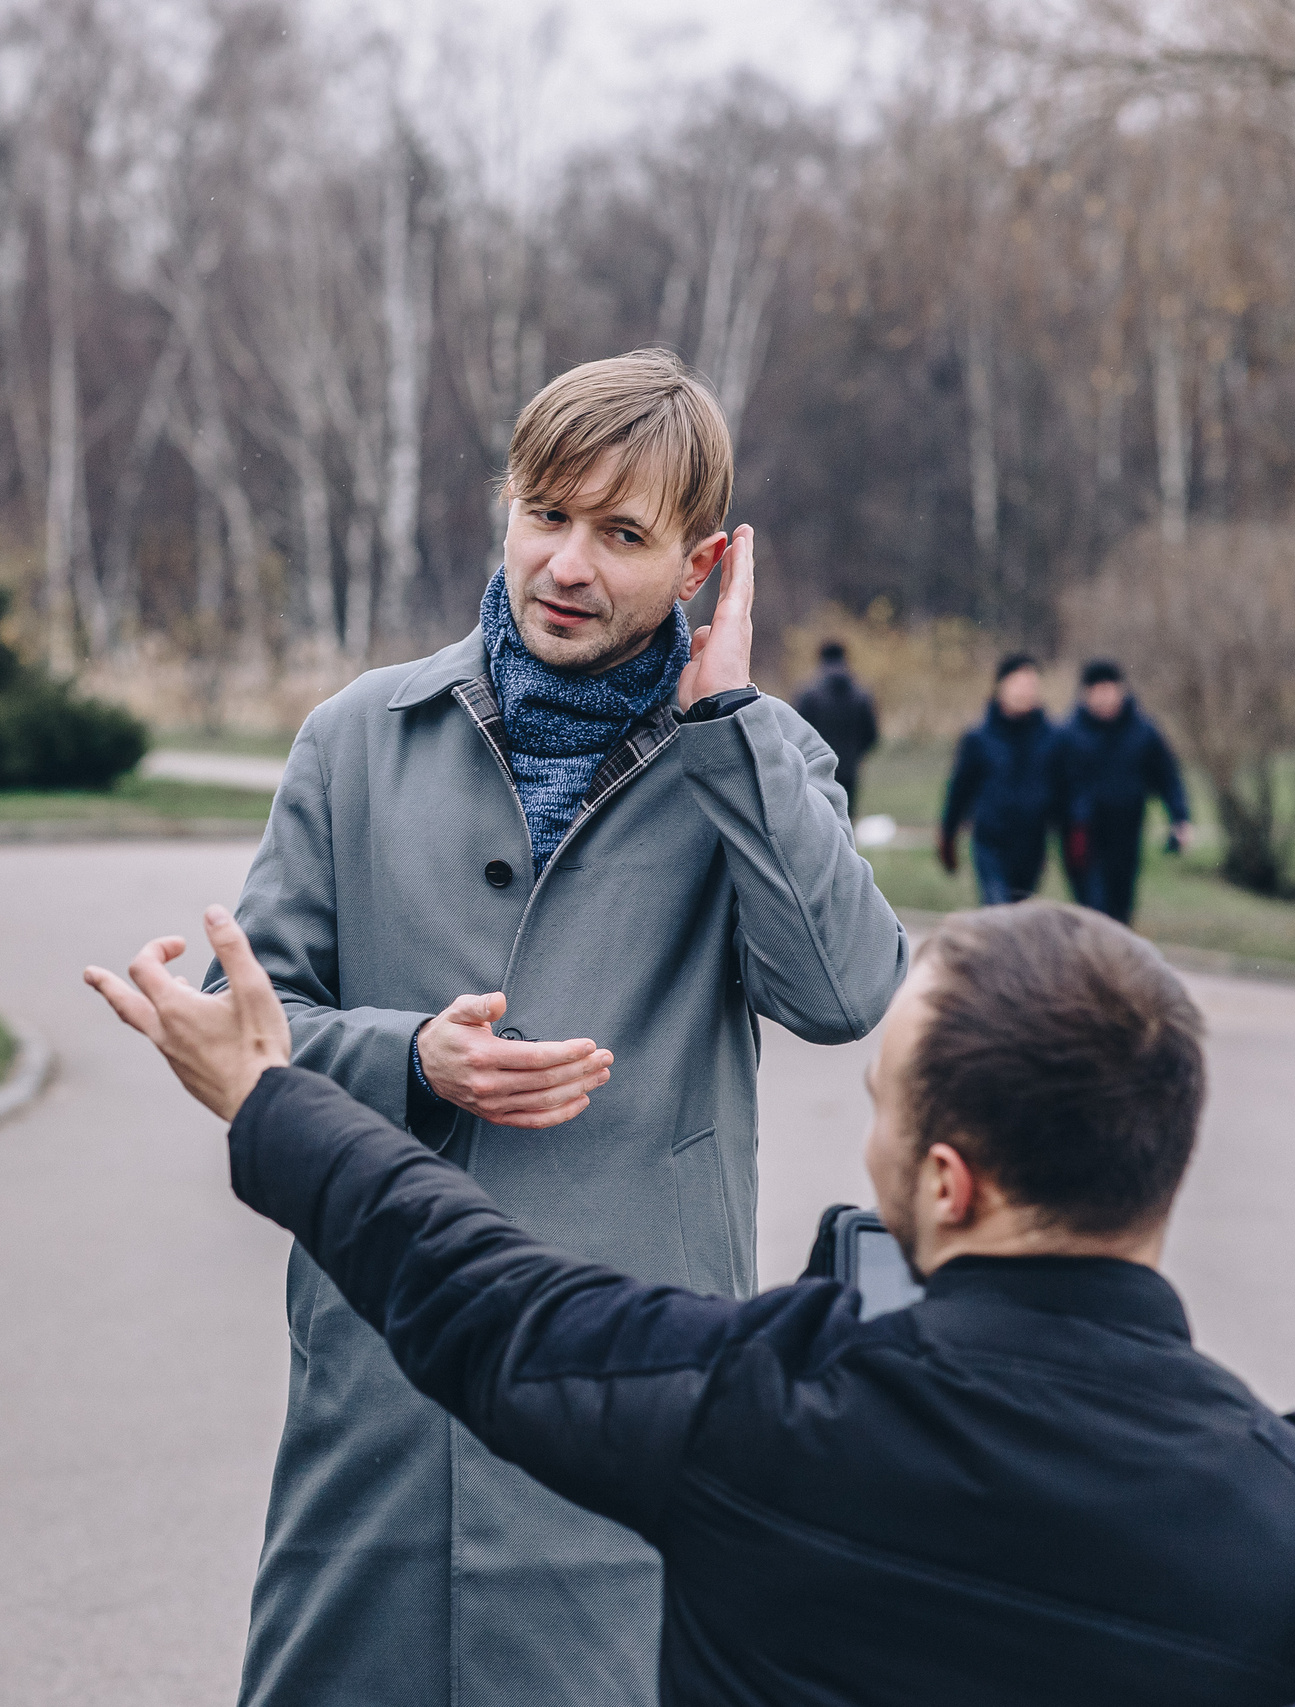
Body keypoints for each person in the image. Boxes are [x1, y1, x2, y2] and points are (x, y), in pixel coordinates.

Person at [90, 900, 1295, 1707]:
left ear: (949, 1180)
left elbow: (484, 1299)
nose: (867, 1150)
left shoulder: (770, 1414)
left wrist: (271, 1091)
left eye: (880, 1113)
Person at [216, 348, 906, 1707]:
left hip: (638, 1401)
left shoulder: (755, 764)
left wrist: (728, 728)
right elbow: (252, 1024)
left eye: (623, 533)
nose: (568, 565)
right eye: (547, 513)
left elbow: (842, 991)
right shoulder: (355, 740)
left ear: (700, 564)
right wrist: (412, 1057)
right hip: (385, 1388)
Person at [1050, 658, 1190, 923]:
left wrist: (1179, 817)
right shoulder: (1067, 734)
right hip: (1083, 836)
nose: (1103, 698)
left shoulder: (1143, 732)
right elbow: (1053, 787)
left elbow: (1167, 777)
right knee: (1093, 910)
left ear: (1121, 690)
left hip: (1126, 834)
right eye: (1096, 691)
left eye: (1108, 690)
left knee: (1120, 911)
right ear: (1085, 695)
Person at [939, 651, 1055, 904]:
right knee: (997, 912)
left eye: (1032, 685)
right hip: (991, 841)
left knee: (1023, 915)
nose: (1026, 691)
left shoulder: (1051, 737)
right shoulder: (978, 738)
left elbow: (1063, 790)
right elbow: (959, 789)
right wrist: (947, 835)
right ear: (1001, 687)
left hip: (1032, 844)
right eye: (1019, 684)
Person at [791, 638, 879, 815]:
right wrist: (854, 755)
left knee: (818, 819)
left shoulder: (809, 695)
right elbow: (872, 735)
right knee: (846, 817)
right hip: (849, 768)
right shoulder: (862, 695)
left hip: (816, 769)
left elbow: (796, 733)